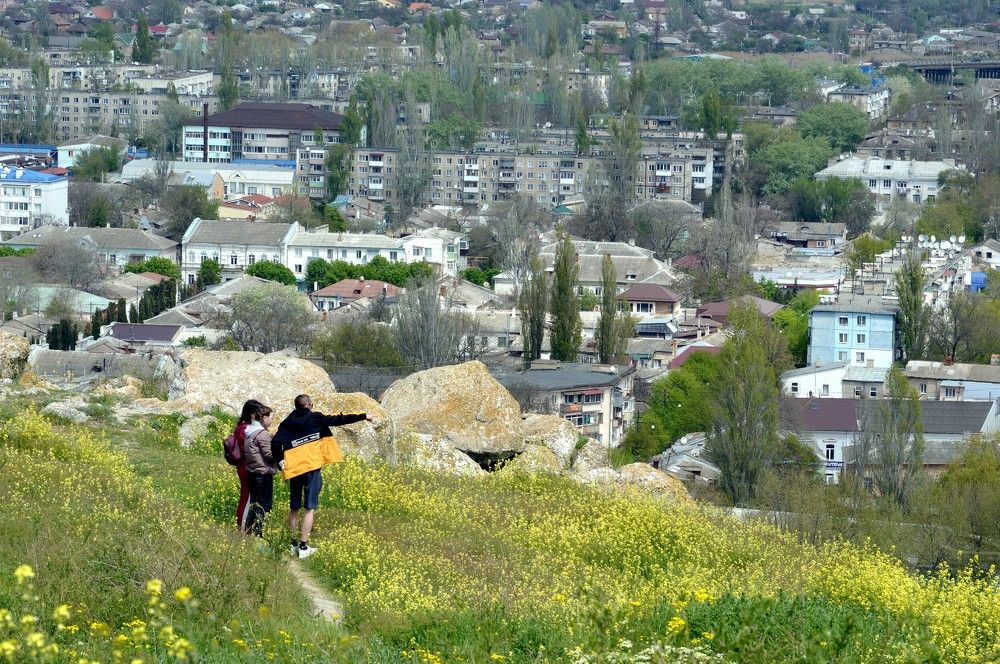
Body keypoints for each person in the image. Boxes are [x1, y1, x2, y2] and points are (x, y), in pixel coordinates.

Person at [271, 394, 372, 559]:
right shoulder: (315, 418)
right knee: (309, 508)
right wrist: (363, 416)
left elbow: (275, 443)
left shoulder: (286, 423)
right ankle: (303, 547)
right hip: (311, 467)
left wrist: (281, 460)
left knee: (294, 507)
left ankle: (292, 544)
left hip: (295, 469)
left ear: (296, 406)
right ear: (310, 405)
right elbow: (339, 420)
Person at [243, 404, 276, 537]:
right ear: (263, 418)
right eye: (271, 417)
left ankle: (247, 533)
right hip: (263, 475)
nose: (272, 420)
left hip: (252, 473)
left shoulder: (249, 431)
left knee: (254, 504)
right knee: (264, 506)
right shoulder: (262, 434)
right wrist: (280, 450)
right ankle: (258, 535)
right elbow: (269, 455)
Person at [233, 399, 263, 532]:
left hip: (244, 466)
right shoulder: (245, 429)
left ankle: (245, 526)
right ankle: (243, 528)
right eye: (259, 414)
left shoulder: (240, 426)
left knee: (246, 496)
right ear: (252, 414)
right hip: (247, 467)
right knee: (246, 498)